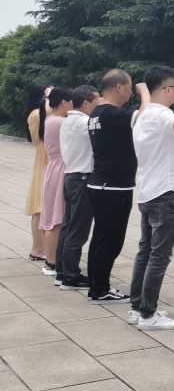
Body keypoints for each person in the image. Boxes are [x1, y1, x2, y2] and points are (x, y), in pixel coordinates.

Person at [128, 67, 174, 330]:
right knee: (159, 256)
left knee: (145, 253)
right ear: (168, 90)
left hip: (148, 191)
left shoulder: (141, 115)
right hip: (165, 193)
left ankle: (138, 308)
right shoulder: (162, 115)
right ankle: (148, 314)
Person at [86, 69, 146, 303]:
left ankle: (96, 286)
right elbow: (143, 116)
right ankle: (101, 289)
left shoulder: (96, 113)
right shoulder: (112, 114)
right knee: (111, 241)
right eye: (130, 88)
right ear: (118, 87)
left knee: (100, 238)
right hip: (114, 187)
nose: (131, 93)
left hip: (100, 184)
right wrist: (144, 93)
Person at [55, 85, 100, 290]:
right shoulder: (84, 123)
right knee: (78, 230)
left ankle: (62, 271)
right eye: (97, 102)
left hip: (71, 176)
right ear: (86, 103)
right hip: (82, 179)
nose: (99, 105)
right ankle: (71, 276)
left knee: (68, 226)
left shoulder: (68, 120)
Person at [39, 88, 73, 276]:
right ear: (63, 102)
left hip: (53, 168)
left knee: (53, 215)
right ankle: (52, 261)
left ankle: (51, 260)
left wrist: (48, 95)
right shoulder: (61, 122)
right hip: (60, 169)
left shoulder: (50, 119)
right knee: (56, 218)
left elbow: (47, 104)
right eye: (71, 101)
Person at [24, 85, 52, 266]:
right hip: (43, 162)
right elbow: (46, 113)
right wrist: (49, 97)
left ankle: (45, 247)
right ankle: (38, 248)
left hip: (50, 161)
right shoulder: (36, 114)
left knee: (46, 206)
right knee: (39, 207)